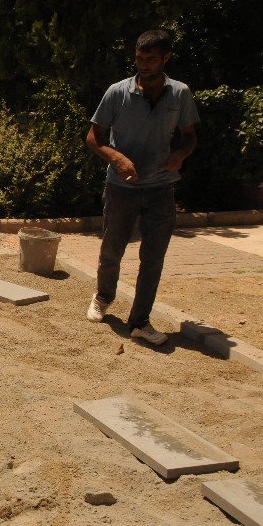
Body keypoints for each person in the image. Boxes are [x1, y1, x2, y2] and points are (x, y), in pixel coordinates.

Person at [85, 29, 199, 345]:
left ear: (166, 59)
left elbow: (190, 136)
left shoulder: (180, 94)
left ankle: (139, 321)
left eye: (151, 59)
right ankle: (103, 295)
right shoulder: (117, 92)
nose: (144, 65)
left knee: (154, 256)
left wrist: (180, 155)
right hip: (121, 187)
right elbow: (94, 137)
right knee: (112, 248)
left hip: (161, 188)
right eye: (139, 58)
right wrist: (117, 157)